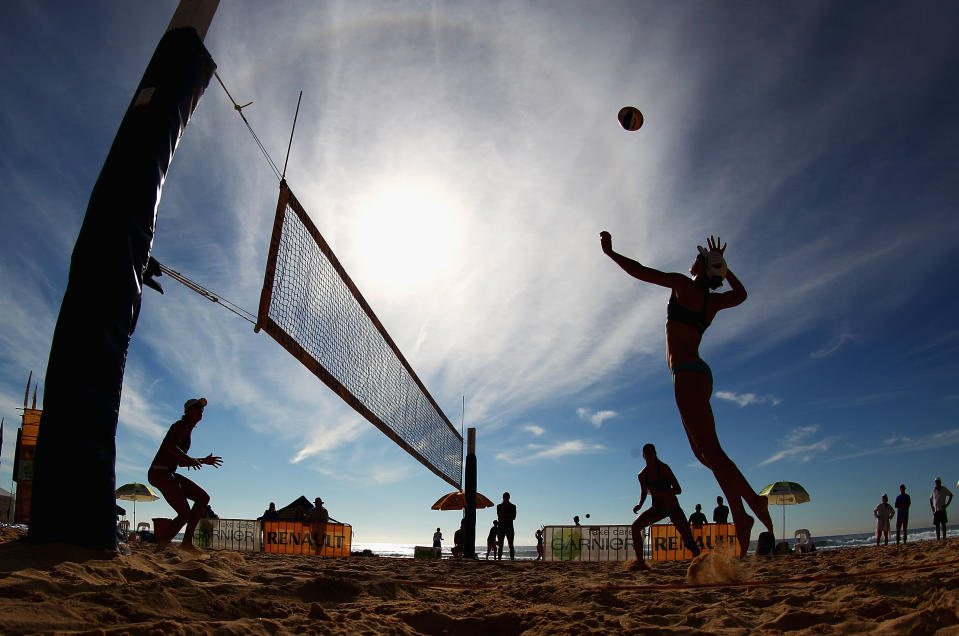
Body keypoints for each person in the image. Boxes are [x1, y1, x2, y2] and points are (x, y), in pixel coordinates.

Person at [601, 232, 774, 557]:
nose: (694, 257)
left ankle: (747, 507)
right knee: (705, 454)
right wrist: (724, 269)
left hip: (686, 374)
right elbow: (742, 294)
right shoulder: (712, 301)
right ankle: (746, 508)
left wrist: (611, 253)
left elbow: (641, 271)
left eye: (701, 257)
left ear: (703, 268)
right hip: (699, 374)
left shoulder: (684, 285)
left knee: (712, 452)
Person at [148, 398, 222, 549]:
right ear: (188, 411)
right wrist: (190, 458)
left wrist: (202, 460)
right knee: (184, 513)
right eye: (197, 407)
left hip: (169, 473)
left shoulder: (188, 431)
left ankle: (186, 542)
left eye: (202, 408)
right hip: (159, 473)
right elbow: (168, 446)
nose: (201, 410)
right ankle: (163, 546)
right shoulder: (180, 425)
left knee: (203, 498)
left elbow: (181, 461)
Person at [630, 443, 701, 570]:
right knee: (635, 527)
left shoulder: (664, 468)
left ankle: (700, 562)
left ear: (655, 454)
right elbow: (643, 492)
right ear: (643, 456)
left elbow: (678, 490)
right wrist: (640, 504)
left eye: (652, 456)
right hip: (657, 509)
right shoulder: (642, 475)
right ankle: (640, 562)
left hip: (673, 508)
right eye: (647, 457)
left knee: (688, 540)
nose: (650, 459)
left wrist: (661, 493)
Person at [496, 492, 517, 561]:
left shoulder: (513, 506)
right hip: (502, 527)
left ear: (509, 497)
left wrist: (504, 518)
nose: (505, 498)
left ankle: (512, 559)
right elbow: (499, 517)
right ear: (503, 497)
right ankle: (499, 559)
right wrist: (503, 508)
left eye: (506, 497)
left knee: (511, 545)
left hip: (509, 527)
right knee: (500, 545)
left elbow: (513, 517)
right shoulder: (499, 506)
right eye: (504, 497)